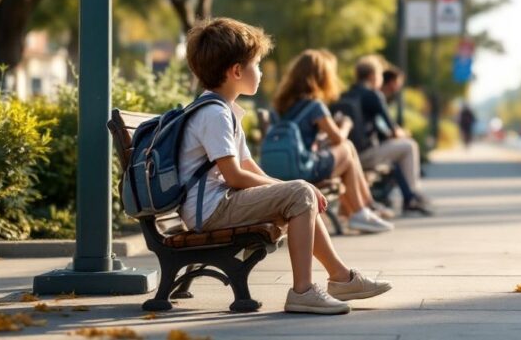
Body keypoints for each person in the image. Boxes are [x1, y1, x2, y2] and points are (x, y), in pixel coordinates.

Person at [180, 18, 390, 315]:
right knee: (300, 193)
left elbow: (248, 165)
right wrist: (296, 189)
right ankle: (303, 291)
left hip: (216, 205)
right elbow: (235, 176)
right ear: (237, 71)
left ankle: (341, 278)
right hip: (212, 212)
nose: (262, 71)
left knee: (300, 192)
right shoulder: (214, 114)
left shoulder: (224, 110)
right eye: (257, 64)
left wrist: (293, 187)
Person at [272, 49, 393, 234]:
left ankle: (363, 210)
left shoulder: (283, 103)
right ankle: (362, 211)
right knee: (346, 148)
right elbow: (338, 138)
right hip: (303, 170)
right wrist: (345, 124)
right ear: (321, 77)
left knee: (344, 154)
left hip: (280, 169)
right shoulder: (315, 105)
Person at [342, 56, 433, 215]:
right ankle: (412, 195)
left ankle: (407, 196)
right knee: (409, 146)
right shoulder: (373, 95)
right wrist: (404, 133)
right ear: (372, 76)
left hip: (347, 154)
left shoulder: (346, 94)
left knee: (396, 153)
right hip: (365, 154)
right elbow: (394, 131)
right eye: (379, 76)